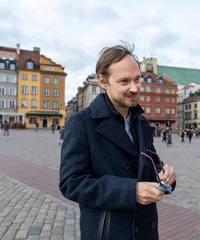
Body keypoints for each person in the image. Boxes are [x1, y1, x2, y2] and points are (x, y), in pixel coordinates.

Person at [59, 42, 176, 240]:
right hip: (107, 232)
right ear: (103, 81)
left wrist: (164, 175)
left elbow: (151, 163)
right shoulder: (81, 123)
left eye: (137, 79)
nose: (135, 88)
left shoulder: (141, 122)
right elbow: (71, 183)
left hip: (146, 231)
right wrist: (130, 191)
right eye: (124, 81)